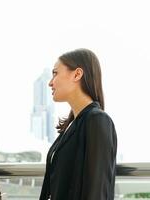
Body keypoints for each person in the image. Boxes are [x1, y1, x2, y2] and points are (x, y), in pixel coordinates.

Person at [39, 48, 117, 200]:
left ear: (77, 74)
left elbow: (97, 191)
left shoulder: (97, 121)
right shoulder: (72, 125)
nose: (50, 82)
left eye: (55, 73)